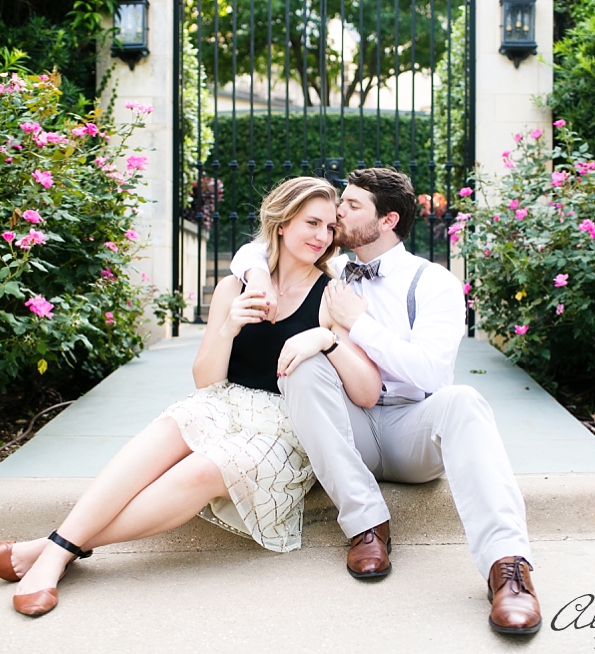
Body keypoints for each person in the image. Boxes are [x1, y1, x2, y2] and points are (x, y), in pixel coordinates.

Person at [0, 176, 382, 617]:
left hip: (286, 430)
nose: (322, 236)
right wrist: (228, 326)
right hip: (226, 402)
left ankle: (52, 550)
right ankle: (59, 552)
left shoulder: (331, 294)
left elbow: (366, 392)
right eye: (312, 223)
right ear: (282, 222)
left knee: (203, 470)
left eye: (329, 227)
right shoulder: (235, 287)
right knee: (170, 426)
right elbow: (206, 381)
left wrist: (325, 337)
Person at [230, 167, 541, 634]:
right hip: (349, 422)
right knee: (302, 367)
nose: (337, 212)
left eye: (352, 206)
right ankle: (367, 526)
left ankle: (508, 570)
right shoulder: (331, 265)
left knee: (465, 401)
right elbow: (259, 246)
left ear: (388, 219)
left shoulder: (433, 282)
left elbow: (432, 372)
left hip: (413, 427)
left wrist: (358, 325)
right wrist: (257, 275)